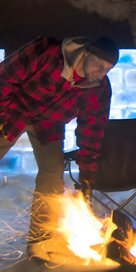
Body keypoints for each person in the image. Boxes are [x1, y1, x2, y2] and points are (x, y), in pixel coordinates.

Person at [0, 36, 119, 256]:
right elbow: (3, 78)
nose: (101, 73)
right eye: (99, 65)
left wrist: (86, 179)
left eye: (107, 70)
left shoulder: (99, 89)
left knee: (53, 171)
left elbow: (92, 133)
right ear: (85, 53)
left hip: (48, 123)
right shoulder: (46, 53)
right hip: (15, 108)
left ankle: (40, 243)